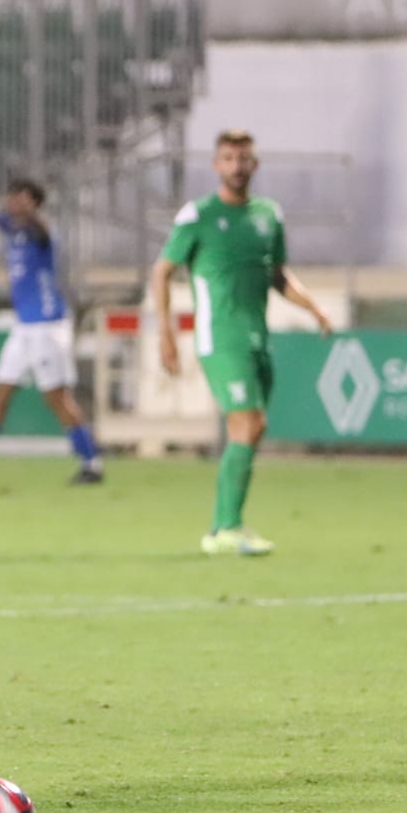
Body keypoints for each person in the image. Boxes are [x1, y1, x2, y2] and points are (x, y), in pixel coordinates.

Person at [150, 129, 333, 556]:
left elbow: (278, 277)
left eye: (243, 158)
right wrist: (166, 333)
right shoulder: (197, 216)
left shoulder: (269, 215)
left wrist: (315, 309)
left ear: (255, 164)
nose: (236, 166)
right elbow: (162, 271)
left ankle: (225, 526)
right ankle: (225, 529)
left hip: (257, 336)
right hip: (221, 338)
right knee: (245, 423)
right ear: (216, 165)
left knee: (255, 426)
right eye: (228, 158)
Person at [0, 174, 106, 485]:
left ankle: (92, 463)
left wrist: (29, 212)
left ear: (34, 204)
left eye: (22, 198)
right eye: (13, 197)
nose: (13, 202)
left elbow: (38, 228)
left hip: (47, 326)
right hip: (25, 327)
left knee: (56, 397)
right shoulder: (11, 230)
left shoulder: (42, 233)